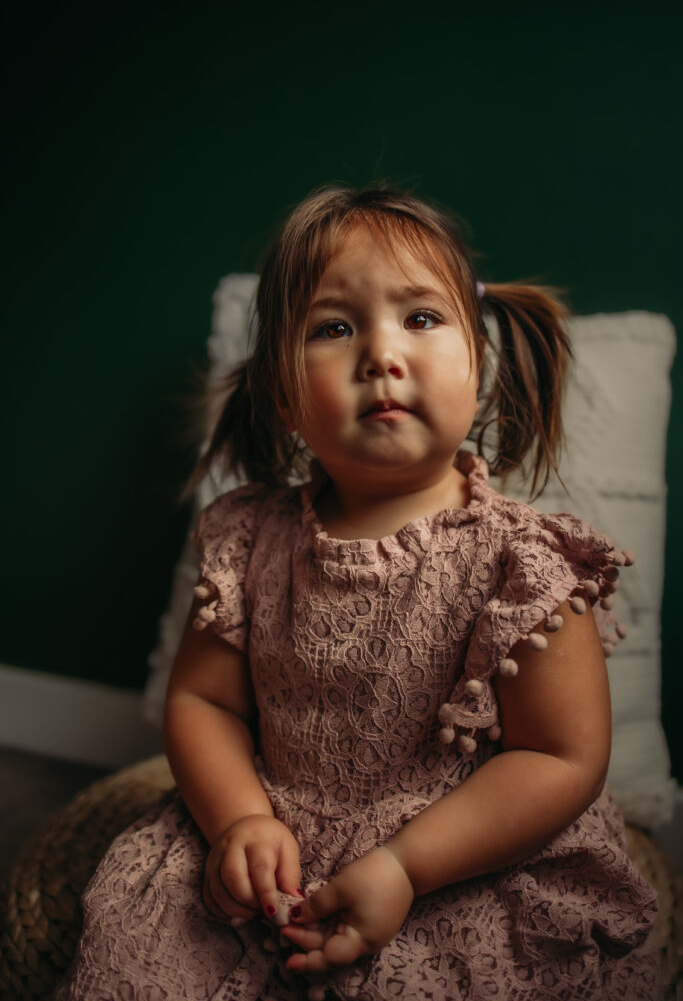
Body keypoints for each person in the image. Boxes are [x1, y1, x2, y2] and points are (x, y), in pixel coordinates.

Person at [56, 186, 659, 1001]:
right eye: (333, 328)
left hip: (462, 855)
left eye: (420, 318)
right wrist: (239, 820)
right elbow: (204, 702)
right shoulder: (249, 541)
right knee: (139, 959)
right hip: (277, 826)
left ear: (476, 363)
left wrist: (407, 865)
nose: (381, 353)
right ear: (283, 395)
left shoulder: (522, 565)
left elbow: (559, 758)